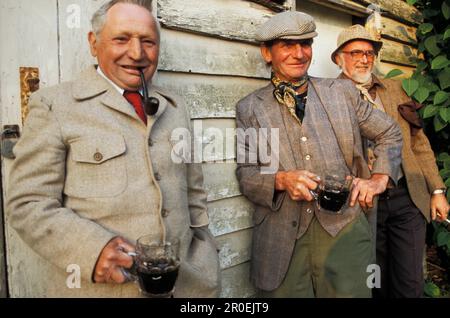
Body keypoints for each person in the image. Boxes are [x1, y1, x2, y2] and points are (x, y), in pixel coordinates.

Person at [6, 0, 220, 297]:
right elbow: (27, 203)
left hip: (185, 287)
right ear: (94, 43)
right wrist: (92, 250)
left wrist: (204, 251)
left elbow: (193, 190)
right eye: (121, 39)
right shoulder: (55, 106)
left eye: (148, 42)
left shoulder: (176, 106)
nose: (137, 53)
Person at [235, 11, 403, 298]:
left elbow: (390, 133)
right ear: (267, 53)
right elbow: (247, 174)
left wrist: (378, 180)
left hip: (344, 231)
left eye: (306, 44)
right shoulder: (250, 107)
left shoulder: (343, 92)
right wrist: (282, 180)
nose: (299, 53)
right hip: (281, 238)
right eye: (288, 45)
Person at [332, 24, 449, 298]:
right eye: (356, 52)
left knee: (410, 284)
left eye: (369, 53)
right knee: (374, 281)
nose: (364, 59)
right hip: (362, 205)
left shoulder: (395, 89)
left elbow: (419, 143)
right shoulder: (328, 95)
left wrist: (437, 190)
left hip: (406, 197)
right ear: (339, 58)